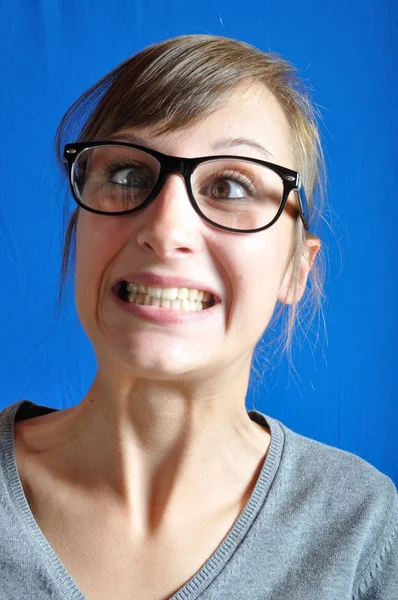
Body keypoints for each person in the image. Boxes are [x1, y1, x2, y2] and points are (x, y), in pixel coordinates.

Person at [0, 34, 397, 600]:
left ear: (296, 269)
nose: (164, 230)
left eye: (230, 186)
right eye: (127, 175)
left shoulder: (362, 527)